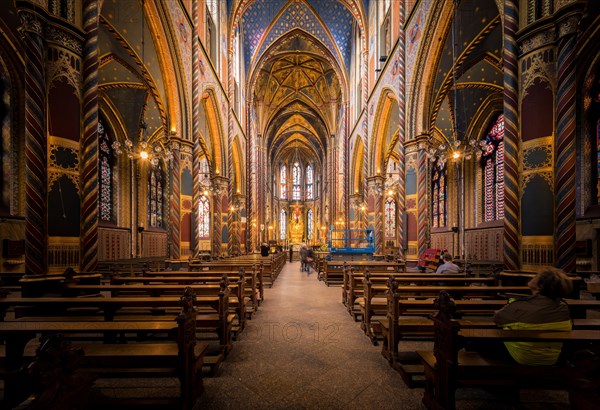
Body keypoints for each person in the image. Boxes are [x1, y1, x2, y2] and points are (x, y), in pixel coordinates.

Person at [493, 268, 573, 365]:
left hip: (523, 357)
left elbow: (497, 318)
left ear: (540, 286)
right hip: (551, 358)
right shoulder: (563, 307)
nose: (533, 276)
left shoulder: (520, 305)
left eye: (536, 276)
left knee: (478, 342)